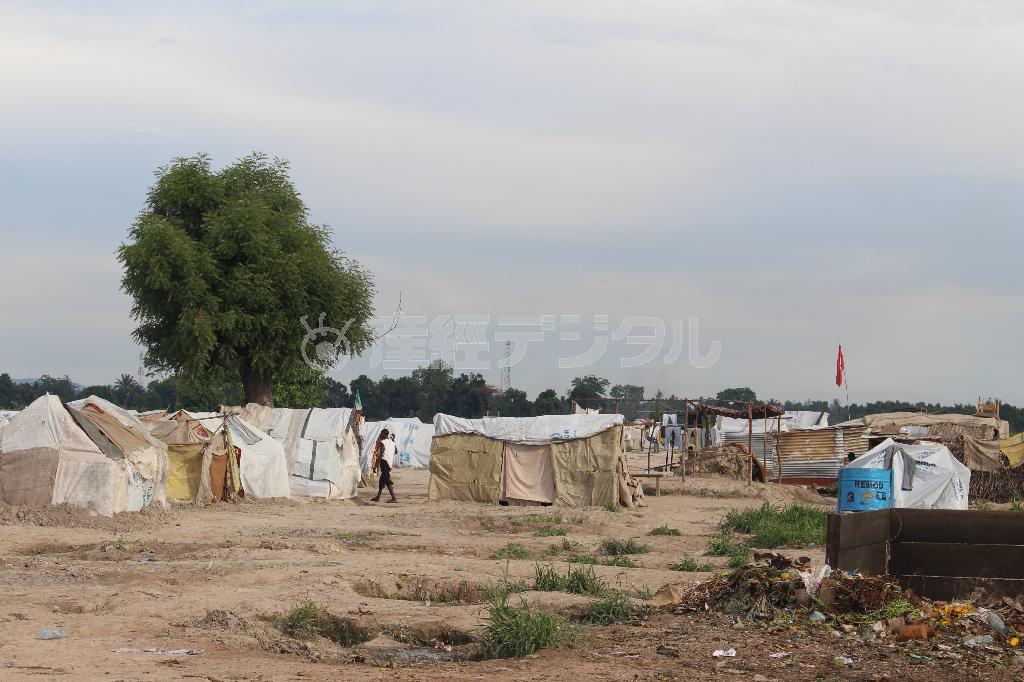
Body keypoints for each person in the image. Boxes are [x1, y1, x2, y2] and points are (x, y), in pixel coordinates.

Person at [371, 428, 398, 503]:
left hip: (384, 462)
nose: (380, 435)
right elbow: (396, 451)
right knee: (382, 480)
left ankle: (394, 498)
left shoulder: (382, 442)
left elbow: (380, 454)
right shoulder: (392, 443)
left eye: (381, 433)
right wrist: (393, 440)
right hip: (389, 463)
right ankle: (378, 497)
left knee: (386, 480)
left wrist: (375, 465)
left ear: (384, 434)